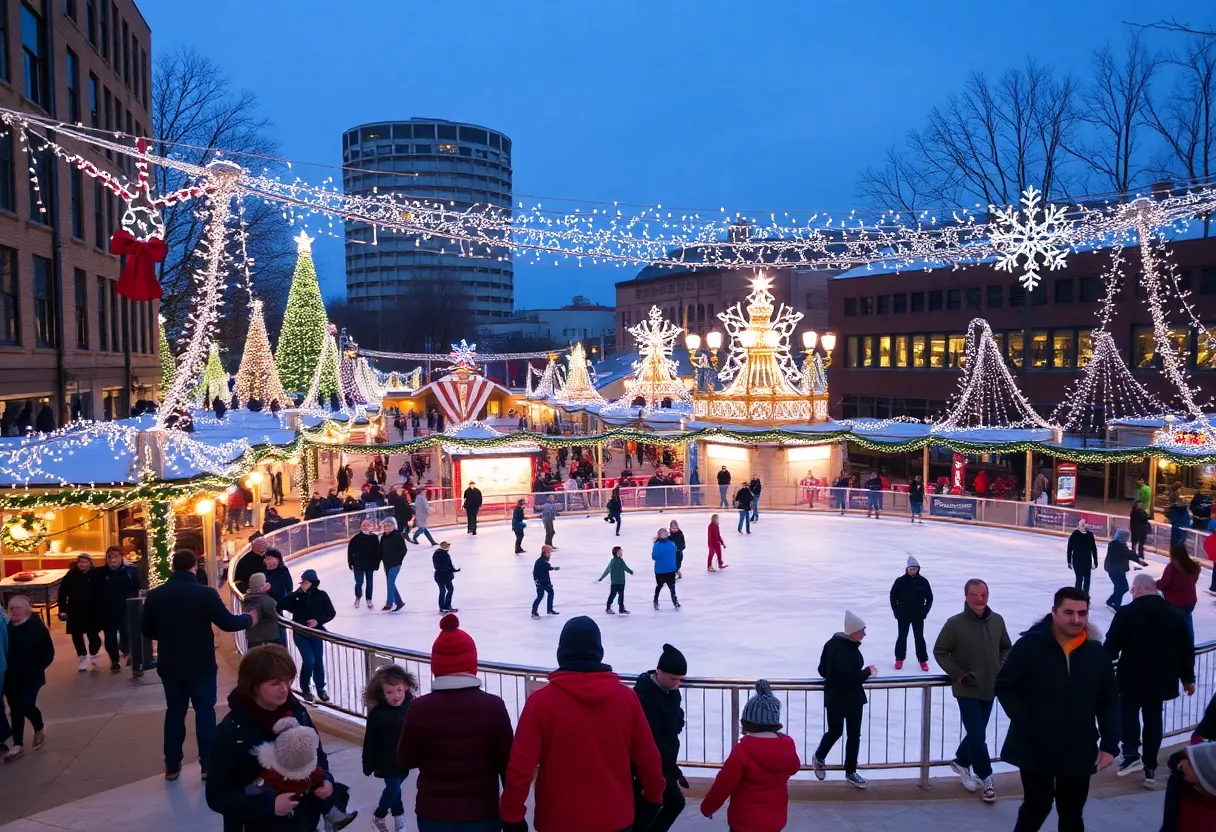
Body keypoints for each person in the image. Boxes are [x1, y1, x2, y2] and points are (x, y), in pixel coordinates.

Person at [500, 616, 666, 832]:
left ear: (561, 653)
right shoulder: (626, 699)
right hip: (616, 820)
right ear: (599, 652)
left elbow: (520, 767)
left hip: (558, 821)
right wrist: (653, 798)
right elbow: (649, 758)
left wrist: (512, 814)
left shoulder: (541, 703)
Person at [995, 587, 1119, 832]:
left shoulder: (1096, 653)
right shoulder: (1029, 646)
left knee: (1072, 811)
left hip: (1079, 746)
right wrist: (1027, 723)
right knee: (1037, 805)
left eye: (1082, 613)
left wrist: (1109, 744)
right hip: (1035, 744)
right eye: (1069, 612)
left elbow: (1108, 701)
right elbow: (1006, 686)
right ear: (1054, 612)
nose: (1076, 619)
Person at [140, 549, 256, 780]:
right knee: (205, 712)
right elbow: (227, 623)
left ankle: (172, 765)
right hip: (201, 664)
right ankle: (208, 765)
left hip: (171, 665)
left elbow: (146, 629)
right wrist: (249, 618)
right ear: (194, 567)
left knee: (174, 713)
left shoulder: (155, 595)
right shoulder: (205, 594)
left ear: (173, 567)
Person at [206, 645, 344, 831]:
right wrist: (268, 805)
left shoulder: (298, 713)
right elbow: (217, 796)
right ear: (253, 685)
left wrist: (326, 779)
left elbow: (317, 755)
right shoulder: (231, 731)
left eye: (287, 681)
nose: (284, 689)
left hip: (303, 823)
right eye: (275, 683)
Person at [397, 614, 515, 832]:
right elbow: (507, 765)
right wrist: (513, 813)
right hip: (482, 814)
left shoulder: (419, 708)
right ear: (472, 662)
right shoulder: (493, 707)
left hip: (434, 815)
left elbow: (406, 758)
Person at [1104, 572, 1195, 788]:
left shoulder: (1126, 613)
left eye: (1133, 590)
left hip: (1131, 677)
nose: (1132, 593)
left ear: (1141, 588)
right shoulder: (1175, 615)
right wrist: (1187, 679)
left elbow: (1111, 650)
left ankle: (1130, 754)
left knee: (1128, 713)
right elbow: (1185, 650)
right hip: (1162, 678)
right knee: (1153, 718)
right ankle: (1150, 767)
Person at [933, 578, 1011, 803]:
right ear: (965, 596)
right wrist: (960, 675)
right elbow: (940, 651)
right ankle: (986, 777)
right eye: (975, 594)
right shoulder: (954, 624)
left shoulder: (997, 621)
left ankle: (961, 761)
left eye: (984, 594)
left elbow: (1006, 647)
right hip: (967, 689)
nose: (980, 598)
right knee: (978, 736)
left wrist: (1000, 666)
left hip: (990, 687)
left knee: (976, 734)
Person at [699, 679, 801, 831]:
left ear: (747, 723)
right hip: (775, 822)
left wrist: (708, 807)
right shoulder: (787, 745)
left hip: (744, 823)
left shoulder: (742, 751)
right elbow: (794, 768)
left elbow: (724, 784)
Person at [812, 611, 876, 788]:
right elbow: (852, 677)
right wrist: (868, 671)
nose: (865, 634)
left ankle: (820, 757)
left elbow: (822, 670)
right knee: (853, 735)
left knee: (836, 731)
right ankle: (850, 771)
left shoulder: (831, 644)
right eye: (862, 630)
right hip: (851, 698)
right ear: (853, 632)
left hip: (834, 697)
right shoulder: (847, 649)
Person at [633, 644, 688, 832]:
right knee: (650, 810)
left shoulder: (671, 693)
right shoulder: (644, 696)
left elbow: (677, 722)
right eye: (673, 678)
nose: (676, 684)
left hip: (665, 764)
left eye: (680, 680)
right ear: (659, 671)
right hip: (648, 766)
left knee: (664, 806)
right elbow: (654, 737)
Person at [363, 665, 417, 832]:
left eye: (399, 690)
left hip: (404, 758)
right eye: (390, 692)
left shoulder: (411, 706)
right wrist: (368, 762)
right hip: (386, 759)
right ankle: (380, 816)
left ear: (405, 687)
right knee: (393, 788)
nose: (396, 696)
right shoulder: (377, 714)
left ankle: (397, 817)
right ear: (382, 694)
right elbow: (370, 740)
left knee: (395, 789)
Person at [2, 596, 54, 762]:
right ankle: (18, 745)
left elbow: (48, 652)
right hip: (11, 677)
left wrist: (37, 667)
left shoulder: (36, 627)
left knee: (26, 705)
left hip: (31, 676)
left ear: (26, 609)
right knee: (15, 709)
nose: (12, 611)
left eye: (16, 608)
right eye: (10, 608)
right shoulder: (7, 627)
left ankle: (38, 726)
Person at [280, 569, 336, 704]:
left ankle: (320, 687)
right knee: (309, 660)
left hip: (315, 633)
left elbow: (331, 613)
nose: (303, 584)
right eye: (302, 582)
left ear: (313, 582)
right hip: (300, 633)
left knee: (318, 660)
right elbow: (283, 604)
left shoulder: (321, 596)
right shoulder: (298, 596)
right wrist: (296, 593)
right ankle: (305, 687)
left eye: (306, 582)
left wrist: (318, 621)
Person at [96, 545, 140, 673]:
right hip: (107, 610)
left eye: (115, 557)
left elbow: (137, 586)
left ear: (121, 558)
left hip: (124, 608)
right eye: (110, 558)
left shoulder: (130, 571)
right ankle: (114, 660)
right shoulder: (100, 573)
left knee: (126, 632)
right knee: (110, 637)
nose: (112, 561)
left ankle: (125, 648)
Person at [60, 553, 103, 672]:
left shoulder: (96, 574)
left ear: (90, 562)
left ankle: (93, 652)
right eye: (80, 562)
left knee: (93, 634)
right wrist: (62, 610)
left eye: (85, 562)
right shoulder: (71, 575)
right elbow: (62, 592)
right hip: (74, 609)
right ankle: (82, 656)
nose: (83, 564)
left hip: (92, 610)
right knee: (76, 635)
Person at [890, 556, 933, 671]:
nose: (912, 571)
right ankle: (899, 659)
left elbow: (929, 598)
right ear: (907, 569)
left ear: (918, 569)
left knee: (919, 637)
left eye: (915, 569)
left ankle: (922, 660)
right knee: (902, 637)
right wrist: (896, 611)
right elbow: (893, 597)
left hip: (918, 615)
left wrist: (925, 611)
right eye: (911, 569)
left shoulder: (923, 582)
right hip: (903, 615)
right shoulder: (900, 581)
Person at [1157, 544, 1200, 642]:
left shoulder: (1172, 568)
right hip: (1190, 601)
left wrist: (1155, 584)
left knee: (1172, 626)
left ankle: (1175, 648)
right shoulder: (1194, 566)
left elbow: (1164, 583)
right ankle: (1189, 646)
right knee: (1187, 621)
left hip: (1175, 602)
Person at [1103, 528, 1145, 612]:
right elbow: (1127, 553)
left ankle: (1113, 602)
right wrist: (1138, 560)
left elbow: (1128, 553)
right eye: (1126, 537)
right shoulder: (1115, 545)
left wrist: (1138, 559)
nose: (1127, 539)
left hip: (1117, 569)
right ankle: (1112, 602)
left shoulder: (1119, 544)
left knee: (1119, 587)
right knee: (1123, 587)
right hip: (1115, 570)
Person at [347, 519, 382, 609]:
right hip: (358, 564)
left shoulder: (374, 538)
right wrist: (350, 563)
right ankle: (358, 596)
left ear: (370, 527)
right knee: (359, 582)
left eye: (367, 526)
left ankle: (369, 599)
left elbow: (378, 552)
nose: (365, 528)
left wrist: (377, 563)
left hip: (370, 564)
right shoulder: (356, 538)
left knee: (369, 582)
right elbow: (350, 551)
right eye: (364, 526)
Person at [243, 574, 284, 648]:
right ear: (261, 587)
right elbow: (273, 611)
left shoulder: (247, 599)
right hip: (268, 638)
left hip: (253, 638)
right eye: (265, 582)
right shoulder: (265, 600)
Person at [379, 518, 407, 613]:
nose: (387, 528)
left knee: (390, 583)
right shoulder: (383, 537)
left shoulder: (397, 536)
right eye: (385, 526)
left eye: (389, 526)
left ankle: (389, 603)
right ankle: (399, 602)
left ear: (393, 526)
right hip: (386, 563)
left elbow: (403, 549)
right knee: (391, 584)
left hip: (395, 564)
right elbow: (380, 551)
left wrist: (398, 559)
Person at [1066, 519, 1098, 595]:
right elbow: (1069, 549)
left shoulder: (1090, 535)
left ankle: (1086, 598)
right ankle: (1077, 598)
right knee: (1079, 580)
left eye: (1084, 524)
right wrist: (1069, 561)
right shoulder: (1075, 535)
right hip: (1077, 561)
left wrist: (1095, 562)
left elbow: (1094, 549)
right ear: (1079, 525)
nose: (1083, 525)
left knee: (1087, 581)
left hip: (1087, 561)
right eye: (1082, 524)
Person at [599, 546, 633, 615]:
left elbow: (607, 570)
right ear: (617, 553)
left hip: (618, 582)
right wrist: (632, 572)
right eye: (620, 551)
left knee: (616, 595)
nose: (621, 552)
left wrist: (601, 578)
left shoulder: (616, 561)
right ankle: (614, 608)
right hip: (618, 582)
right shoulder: (617, 561)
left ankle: (617, 608)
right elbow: (625, 568)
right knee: (617, 595)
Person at [652, 528, 680, 610]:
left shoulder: (671, 544)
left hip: (670, 570)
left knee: (672, 588)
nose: (665, 534)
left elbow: (675, 555)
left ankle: (675, 602)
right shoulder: (657, 545)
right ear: (659, 535)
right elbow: (654, 556)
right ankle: (655, 600)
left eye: (666, 533)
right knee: (659, 586)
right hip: (660, 570)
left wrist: (676, 568)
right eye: (663, 533)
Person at [532, 545, 559, 619]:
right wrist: (537, 582)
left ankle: (549, 609)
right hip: (540, 583)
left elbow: (547, 570)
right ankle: (534, 612)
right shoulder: (541, 562)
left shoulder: (543, 561)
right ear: (545, 553)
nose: (550, 554)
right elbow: (537, 572)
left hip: (545, 582)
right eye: (549, 552)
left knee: (551, 592)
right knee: (540, 596)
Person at [433, 541, 460, 614]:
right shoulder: (442, 554)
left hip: (442, 575)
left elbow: (447, 565)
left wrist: (453, 570)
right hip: (443, 575)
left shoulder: (440, 554)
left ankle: (446, 606)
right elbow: (446, 565)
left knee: (446, 590)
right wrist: (451, 570)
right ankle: (444, 607)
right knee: (445, 590)